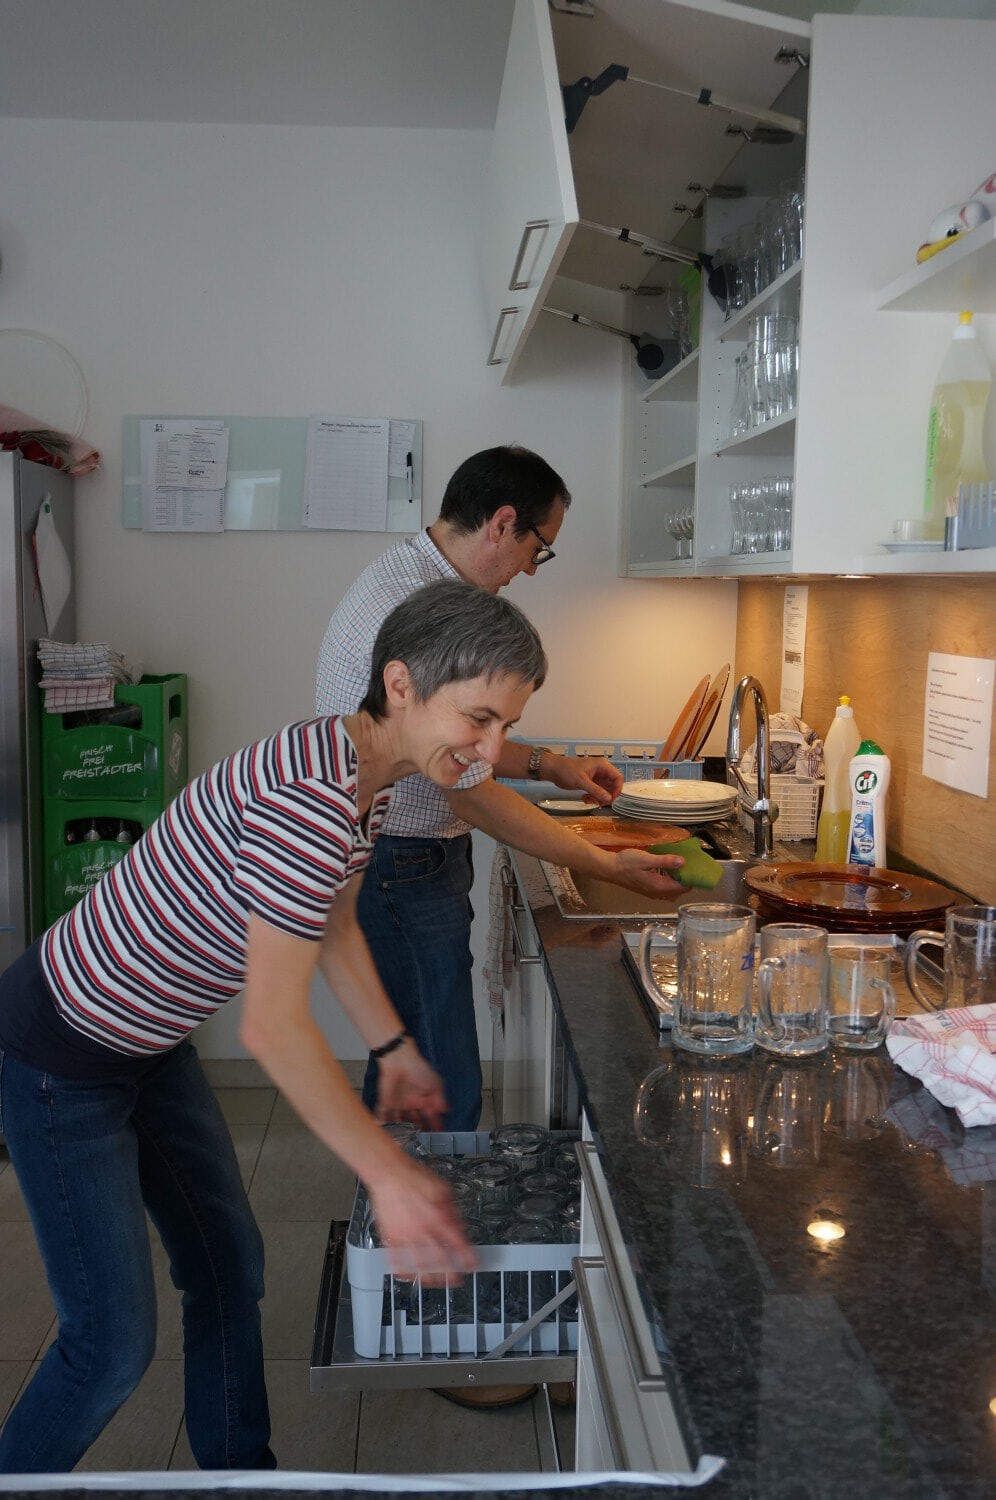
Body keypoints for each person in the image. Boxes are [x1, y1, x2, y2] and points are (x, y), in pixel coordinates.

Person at [0, 579, 555, 1475]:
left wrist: (391, 1047)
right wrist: (390, 1176)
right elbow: (272, 1027)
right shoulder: (309, 800)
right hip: (60, 1053)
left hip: (149, 1048)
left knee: (229, 1267)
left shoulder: (363, 772)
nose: (491, 751)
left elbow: (333, 922)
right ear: (402, 684)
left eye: (507, 726)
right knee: (108, 1347)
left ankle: (239, 1474)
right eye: (479, 719)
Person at [317, 445, 684, 1133]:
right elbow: (468, 789)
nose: (530, 569)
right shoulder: (424, 610)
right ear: (503, 523)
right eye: (538, 549)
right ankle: (417, 1198)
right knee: (440, 1084)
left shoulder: (410, 577)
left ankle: (391, 1196)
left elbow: (454, 740)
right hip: (403, 865)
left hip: (389, 857)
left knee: (409, 1063)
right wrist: (607, 864)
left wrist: (549, 765)